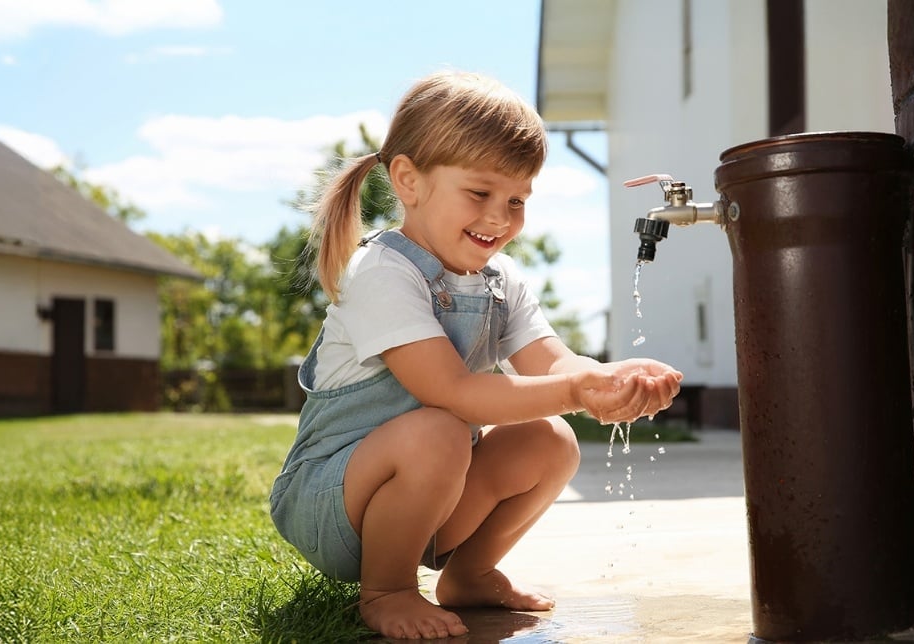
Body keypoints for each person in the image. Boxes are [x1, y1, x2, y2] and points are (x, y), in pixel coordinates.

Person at [269, 69, 683, 640]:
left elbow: (554, 365)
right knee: (438, 427)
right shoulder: (384, 272)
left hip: (430, 497)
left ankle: (469, 574)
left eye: (517, 199)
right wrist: (574, 392)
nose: (500, 216)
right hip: (332, 507)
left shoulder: (499, 280)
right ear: (409, 182)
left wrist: (608, 379)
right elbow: (452, 392)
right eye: (480, 193)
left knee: (549, 437)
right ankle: (386, 589)